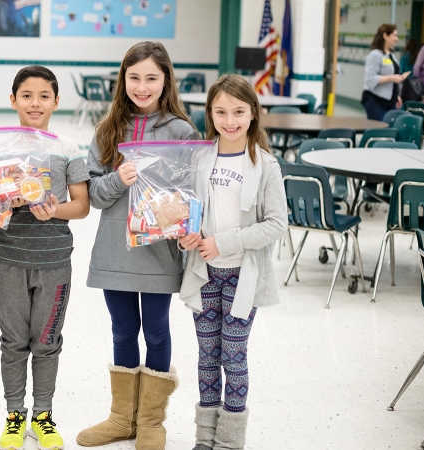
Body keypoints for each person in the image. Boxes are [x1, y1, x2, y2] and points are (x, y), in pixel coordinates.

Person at [77, 41, 199, 450]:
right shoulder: (107, 128)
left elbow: (191, 194)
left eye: (151, 77)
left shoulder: (183, 131)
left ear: (166, 80)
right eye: (134, 78)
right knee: (123, 330)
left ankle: (151, 423)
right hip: (116, 250)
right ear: (123, 79)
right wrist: (119, 179)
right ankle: (121, 420)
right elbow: (93, 194)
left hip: (160, 251)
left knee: (158, 331)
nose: (142, 86)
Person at [177, 74, 287, 450]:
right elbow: (191, 213)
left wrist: (221, 243)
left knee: (233, 357)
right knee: (206, 356)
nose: (230, 120)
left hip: (243, 276)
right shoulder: (201, 157)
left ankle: (229, 442)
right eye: (221, 111)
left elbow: (276, 224)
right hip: (204, 274)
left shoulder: (266, 165)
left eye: (239, 111)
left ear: (253, 113)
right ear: (210, 113)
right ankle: (204, 438)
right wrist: (188, 236)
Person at [0, 65, 89, 450]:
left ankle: (42, 414)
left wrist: (54, 210)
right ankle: (14, 415)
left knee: (46, 341)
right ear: (13, 100)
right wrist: (1, 204)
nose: (35, 103)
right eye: (26, 95)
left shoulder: (68, 149)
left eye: (44, 96)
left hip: (55, 261)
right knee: (13, 342)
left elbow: (81, 206)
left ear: (56, 102)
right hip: (9, 260)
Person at [363, 23, 407, 120]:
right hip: (376, 100)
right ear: (385, 35)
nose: (397, 38)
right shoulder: (375, 55)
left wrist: (396, 96)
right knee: (378, 131)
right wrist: (391, 78)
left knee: (389, 131)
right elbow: (370, 79)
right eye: (394, 35)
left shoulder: (391, 55)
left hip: (390, 101)